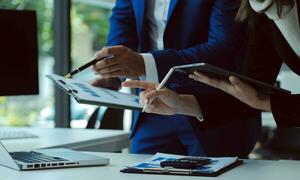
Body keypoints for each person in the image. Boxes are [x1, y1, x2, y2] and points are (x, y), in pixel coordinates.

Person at [92, 0, 261, 157]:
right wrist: (113, 74)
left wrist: (145, 64)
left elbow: (225, 49)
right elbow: (124, 22)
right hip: (151, 109)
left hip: (213, 111)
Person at [123, 0, 300, 129]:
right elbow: (249, 93)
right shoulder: (256, 9)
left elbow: (259, 99)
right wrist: (181, 104)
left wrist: (265, 102)